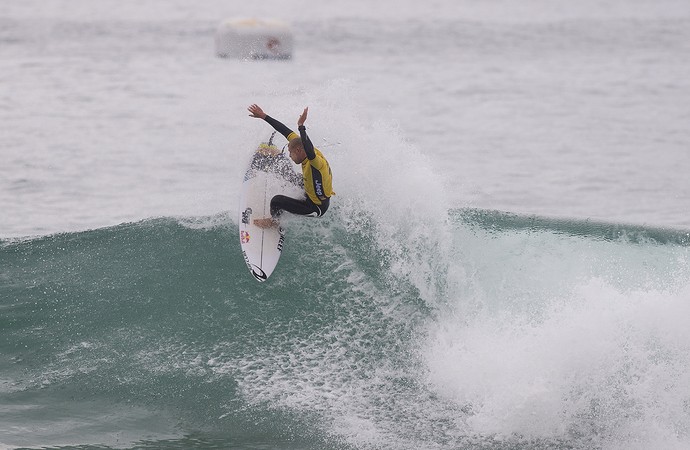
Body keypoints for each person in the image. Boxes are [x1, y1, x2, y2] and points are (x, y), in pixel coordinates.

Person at [247, 104, 334, 228]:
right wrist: (263, 116)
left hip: (315, 207)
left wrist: (301, 126)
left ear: (299, 150)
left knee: (277, 201)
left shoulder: (315, 162)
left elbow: (309, 151)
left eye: (291, 152)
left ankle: (274, 222)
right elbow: (284, 130)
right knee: (287, 173)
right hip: (310, 187)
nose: (290, 155)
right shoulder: (301, 145)